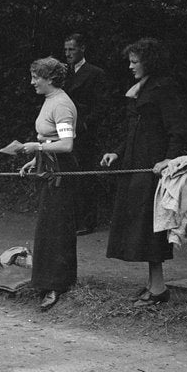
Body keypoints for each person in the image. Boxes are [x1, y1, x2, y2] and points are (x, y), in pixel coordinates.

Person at [100, 37, 187, 307]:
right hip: (135, 165)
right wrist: (117, 151)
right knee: (140, 229)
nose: (130, 66)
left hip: (154, 170)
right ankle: (154, 285)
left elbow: (179, 129)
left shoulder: (164, 89)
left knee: (152, 229)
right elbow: (133, 129)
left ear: (149, 62)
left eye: (135, 61)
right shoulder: (141, 88)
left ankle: (159, 288)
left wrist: (169, 160)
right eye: (130, 61)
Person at [17, 57, 78, 312]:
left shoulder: (62, 104)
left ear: (50, 79)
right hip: (49, 166)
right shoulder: (49, 101)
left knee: (57, 226)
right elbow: (51, 137)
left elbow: (66, 144)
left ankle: (58, 284)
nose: (32, 82)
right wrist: (35, 159)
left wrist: (38, 147)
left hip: (61, 171)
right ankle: (45, 281)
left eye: (36, 77)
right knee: (46, 225)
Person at [63, 33, 106, 235]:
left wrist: (86, 125)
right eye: (66, 50)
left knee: (84, 175)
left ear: (82, 49)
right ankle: (70, 218)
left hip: (84, 133)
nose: (68, 53)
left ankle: (87, 221)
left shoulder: (95, 73)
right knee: (67, 174)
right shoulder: (63, 73)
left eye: (72, 49)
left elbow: (100, 105)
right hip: (65, 130)